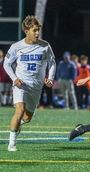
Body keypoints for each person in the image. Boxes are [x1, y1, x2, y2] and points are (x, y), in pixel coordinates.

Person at [3, 15, 56, 151]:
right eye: (34, 30)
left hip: (36, 86)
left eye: (38, 30)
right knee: (19, 110)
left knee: (27, 118)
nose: (37, 33)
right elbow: (7, 64)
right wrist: (15, 78)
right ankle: (11, 144)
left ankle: (19, 124)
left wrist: (50, 78)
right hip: (21, 85)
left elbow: (52, 63)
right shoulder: (16, 47)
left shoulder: (45, 46)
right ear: (26, 31)